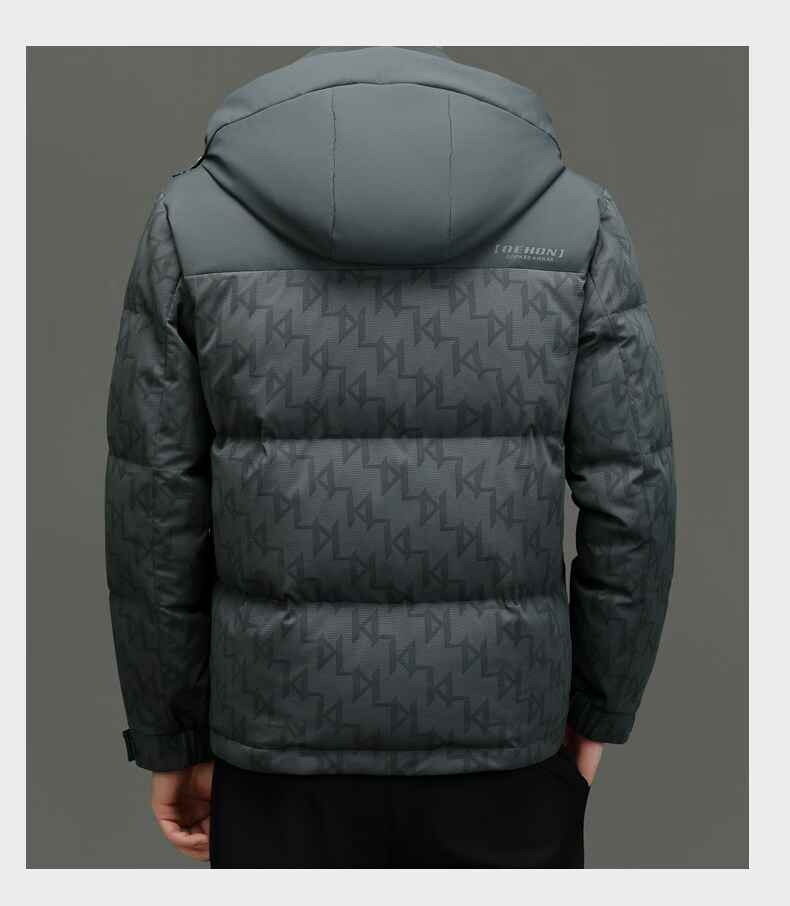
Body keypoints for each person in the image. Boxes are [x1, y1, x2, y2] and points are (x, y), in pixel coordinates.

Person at [105, 45, 676, 868]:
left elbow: (152, 509)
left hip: (278, 744)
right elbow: (634, 495)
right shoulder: (577, 220)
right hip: (505, 741)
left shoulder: (188, 219)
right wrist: (596, 712)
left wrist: (173, 735)